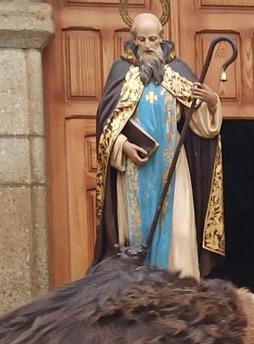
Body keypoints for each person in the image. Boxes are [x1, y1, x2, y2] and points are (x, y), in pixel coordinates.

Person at [92, 10, 224, 278]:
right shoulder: (121, 73)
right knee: (136, 235)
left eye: (153, 39)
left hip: (173, 169)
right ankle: (138, 301)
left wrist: (211, 102)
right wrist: (123, 146)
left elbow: (202, 128)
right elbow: (106, 128)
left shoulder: (177, 73)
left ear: (162, 39)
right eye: (142, 40)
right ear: (133, 41)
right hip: (133, 172)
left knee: (180, 232)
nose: (148, 45)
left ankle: (181, 299)